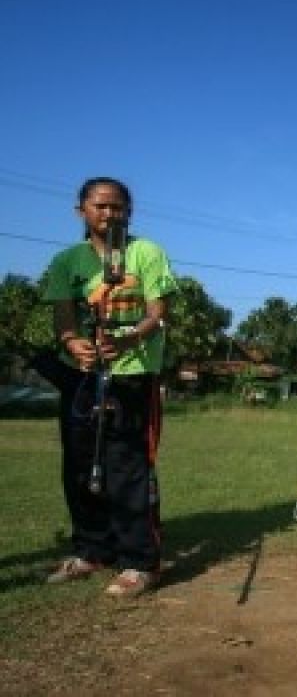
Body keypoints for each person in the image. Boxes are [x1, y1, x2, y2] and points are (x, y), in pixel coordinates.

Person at [41, 177, 177, 598]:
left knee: (127, 466)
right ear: (80, 210)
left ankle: (140, 562)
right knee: (80, 464)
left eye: (117, 207)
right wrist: (72, 342)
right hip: (81, 375)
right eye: (99, 206)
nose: (109, 213)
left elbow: (158, 312)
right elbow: (64, 315)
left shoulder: (145, 253)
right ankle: (93, 549)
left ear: (128, 212)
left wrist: (130, 338)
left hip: (132, 374)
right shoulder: (68, 261)